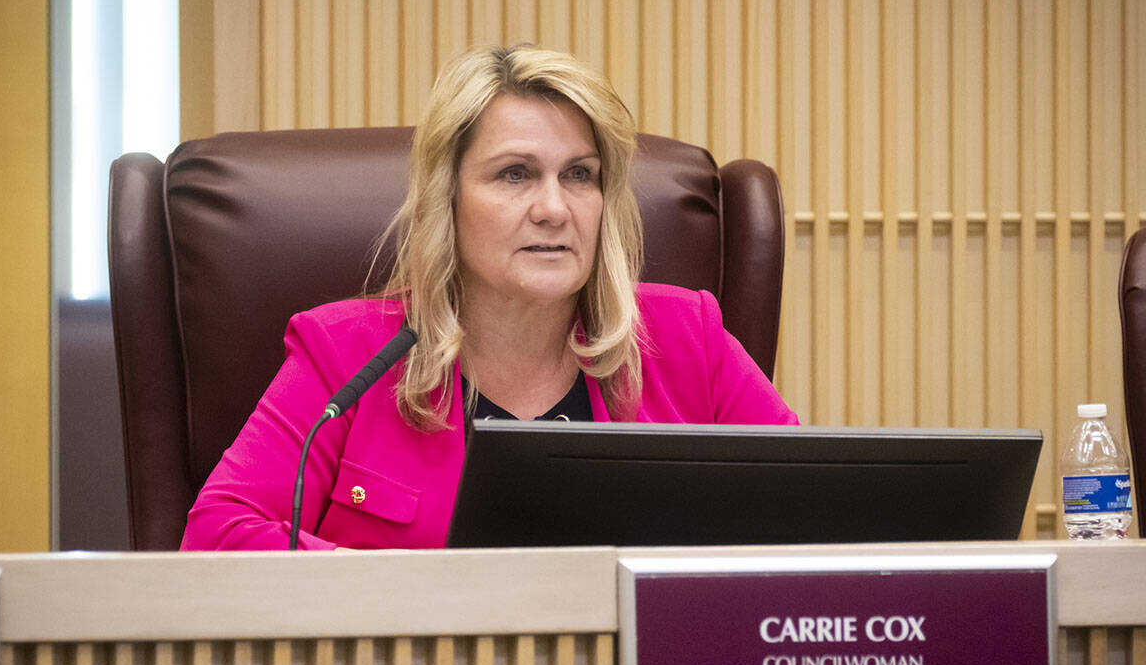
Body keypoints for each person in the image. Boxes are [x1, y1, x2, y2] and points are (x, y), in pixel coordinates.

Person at [181, 45, 798, 551]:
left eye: (579, 175)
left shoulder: (689, 338)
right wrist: (411, 595)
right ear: (446, 200)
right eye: (515, 174)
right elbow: (217, 532)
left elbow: (812, 518)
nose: (554, 209)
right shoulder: (347, 355)